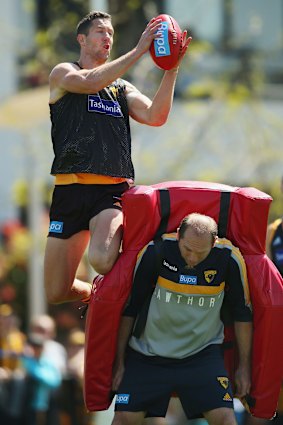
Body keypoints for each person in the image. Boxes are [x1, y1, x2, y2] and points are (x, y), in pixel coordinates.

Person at [44, 10, 192, 305]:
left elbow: (155, 116)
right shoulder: (63, 73)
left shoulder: (121, 88)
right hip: (69, 191)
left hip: (109, 191)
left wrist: (171, 69)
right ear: (82, 39)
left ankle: (141, 289)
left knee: (100, 259)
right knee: (56, 292)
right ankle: (99, 298)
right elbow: (89, 83)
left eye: (111, 33)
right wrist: (139, 51)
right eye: (101, 31)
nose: (107, 37)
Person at [111, 213, 253, 425]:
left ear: (214, 243)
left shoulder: (229, 259)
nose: (193, 258)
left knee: (226, 419)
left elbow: (242, 313)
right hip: (147, 355)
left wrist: (244, 367)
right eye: (187, 249)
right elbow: (131, 308)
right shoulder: (155, 251)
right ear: (178, 235)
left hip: (202, 355)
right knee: (123, 419)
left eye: (201, 252)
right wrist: (120, 362)